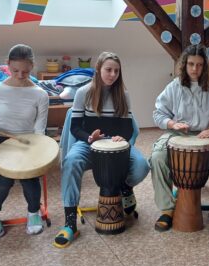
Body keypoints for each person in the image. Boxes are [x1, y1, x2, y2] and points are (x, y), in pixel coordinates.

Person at [54, 52, 149, 248]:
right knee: (71, 162)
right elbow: (76, 127)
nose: (112, 74)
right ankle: (70, 221)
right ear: (98, 70)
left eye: (116, 70)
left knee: (141, 166)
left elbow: (127, 126)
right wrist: (89, 138)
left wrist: (121, 137)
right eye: (108, 69)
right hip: (88, 144)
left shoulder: (123, 94)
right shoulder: (84, 93)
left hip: (116, 146)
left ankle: (125, 186)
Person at [150, 44, 209, 232]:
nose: (195, 69)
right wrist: (172, 124)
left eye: (199, 65)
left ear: (205, 66)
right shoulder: (174, 86)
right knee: (157, 157)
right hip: (177, 134)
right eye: (191, 64)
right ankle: (167, 208)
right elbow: (158, 114)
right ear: (184, 65)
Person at [0, 44, 49, 238]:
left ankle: (33, 212)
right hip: (0, 143)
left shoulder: (40, 94)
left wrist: (37, 152)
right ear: (8, 64)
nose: (20, 75)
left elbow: (39, 130)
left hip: (28, 143)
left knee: (30, 178)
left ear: (32, 66)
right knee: (3, 180)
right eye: (15, 70)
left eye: (25, 71)